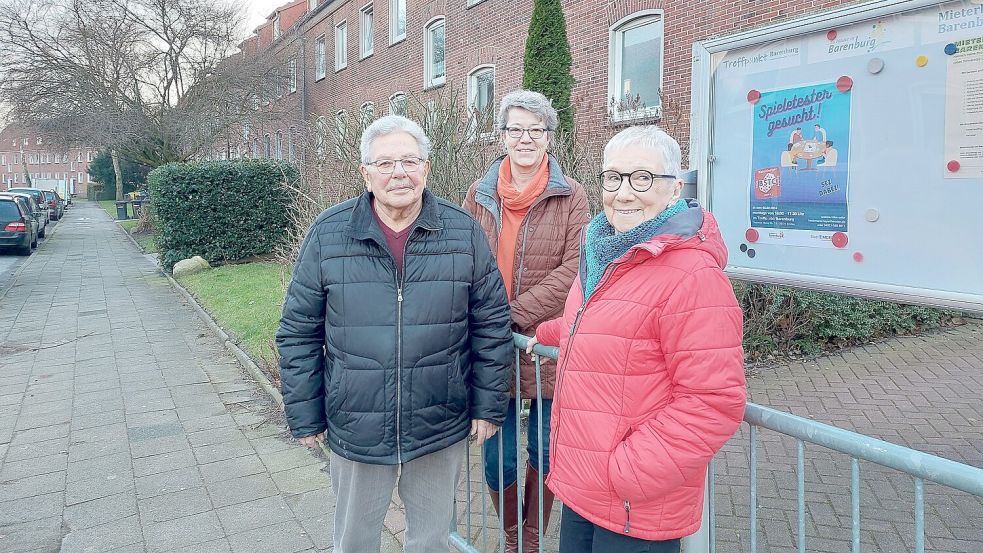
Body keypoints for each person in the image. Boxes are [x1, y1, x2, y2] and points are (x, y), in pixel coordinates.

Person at [277, 115, 514, 553]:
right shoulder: (329, 233)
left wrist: (489, 406)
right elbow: (298, 331)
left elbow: (492, 325)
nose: (399, 173)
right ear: (365, 173)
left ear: (427, 167)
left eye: (409, 160)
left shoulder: (463, 232)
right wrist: (305, 412)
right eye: (385, 163)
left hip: (437, 418)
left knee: (430, 540)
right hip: (357, 421)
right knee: (354, 541)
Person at [526, 126, 747, 552]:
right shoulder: (607, 252)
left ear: (674, 188)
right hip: (583, 485)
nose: (624, 193)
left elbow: (714, 400)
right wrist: (546, 334)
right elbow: (604, 324)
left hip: (634, 505)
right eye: (613, 178)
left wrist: (628, 471)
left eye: (642, 178)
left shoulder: (693, 275)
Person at [463, 89, 590, 552]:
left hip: (544, 343)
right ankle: (512, 535)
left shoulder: (572, 194)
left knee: (546, 447)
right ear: (502, 135)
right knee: (498, 455)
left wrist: (511, 315)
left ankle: (533, 538)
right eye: (515, 129)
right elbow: (464, 261)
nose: (525, 139)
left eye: (536, 130)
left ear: (549, 137)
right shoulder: (478, 195)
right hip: (492, 347)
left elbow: (576, 267)